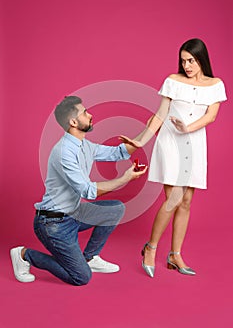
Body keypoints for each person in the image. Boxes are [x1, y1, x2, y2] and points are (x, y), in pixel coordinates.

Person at [10, 96, 147, 285]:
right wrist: (125, 179)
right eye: (84, 112)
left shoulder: (85, 145)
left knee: (115, 208)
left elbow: (119, 152)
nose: (90, 115)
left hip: (73, 214)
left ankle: (90, 258)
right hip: (52, 223)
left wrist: (149, 129)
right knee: (81, 277)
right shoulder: (64, 152)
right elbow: (88, 191)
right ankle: (25, 255)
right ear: (73, 122)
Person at [120, 38, 227, 278]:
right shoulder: (173, 81)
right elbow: (159, 115)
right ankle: (151, 247)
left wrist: (187, 128)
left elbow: (210, 116)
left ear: (202, 60)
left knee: (187, 201)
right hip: (170, 142)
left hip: (194, 144)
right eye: (183, 61)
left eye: (191, 60)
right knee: (174, 198)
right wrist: (140, 140)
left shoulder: (215, 85)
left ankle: (174, 255)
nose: (186, 65)